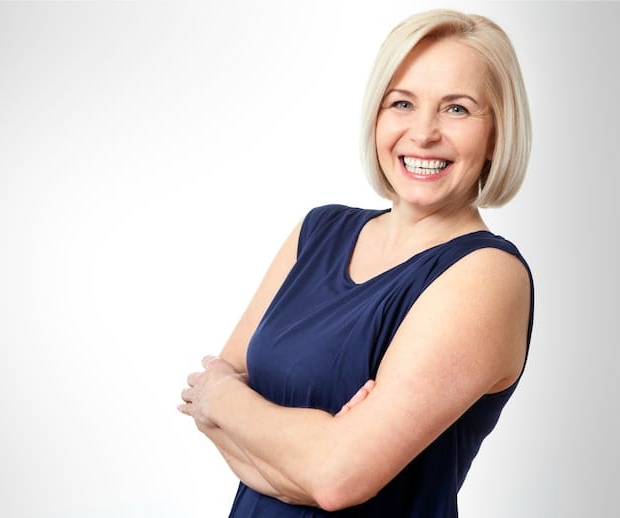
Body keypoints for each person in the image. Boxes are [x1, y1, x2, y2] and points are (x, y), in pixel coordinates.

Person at [178, 8, 533, 517]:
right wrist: (314, 450)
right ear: (376, 115)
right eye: (402, 103)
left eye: (456, 109)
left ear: (498, 132)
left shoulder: (487, 275)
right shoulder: (317, 232)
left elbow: (337, 478)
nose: (424, 132)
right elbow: (227, 381)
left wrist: (222, 401)